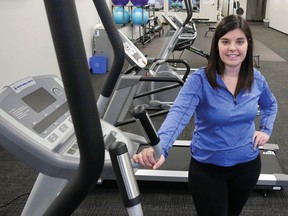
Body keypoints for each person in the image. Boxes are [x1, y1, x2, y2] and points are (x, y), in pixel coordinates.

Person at [132, 14, 278, 216]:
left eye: (240, 41)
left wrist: (266, 130)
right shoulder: (200, 80)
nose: (233, 48)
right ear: (216, 44)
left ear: (248, 44)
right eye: (225, 41)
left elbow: (270, 105)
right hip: (208, 170)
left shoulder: (256, 79)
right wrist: (160, 147)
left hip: (248, 166)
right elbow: (178, 114)